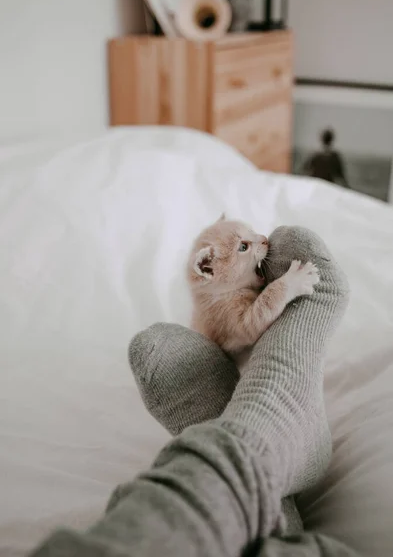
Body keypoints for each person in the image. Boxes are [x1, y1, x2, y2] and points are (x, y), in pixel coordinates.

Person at [31, 226, 360, 557]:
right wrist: (283, 287)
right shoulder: (223, 298)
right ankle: (273, 422)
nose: (262, 241)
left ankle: (250, 431)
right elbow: (248, 324)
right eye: (245, 245)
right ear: (207, 269)